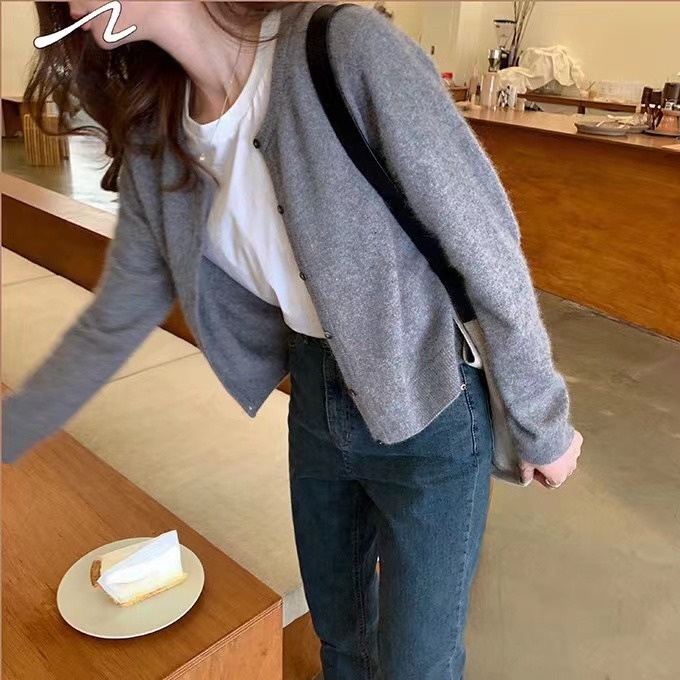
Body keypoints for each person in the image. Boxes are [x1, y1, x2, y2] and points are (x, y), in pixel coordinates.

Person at [2, 2, 583, 678]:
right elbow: (121, 308)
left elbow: (486, 247)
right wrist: (15, 427)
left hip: (430, 397)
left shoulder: (347, 47)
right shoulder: (153, 127)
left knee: (417, 664)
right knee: (341, 639)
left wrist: (541, 419)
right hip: (313, 396)